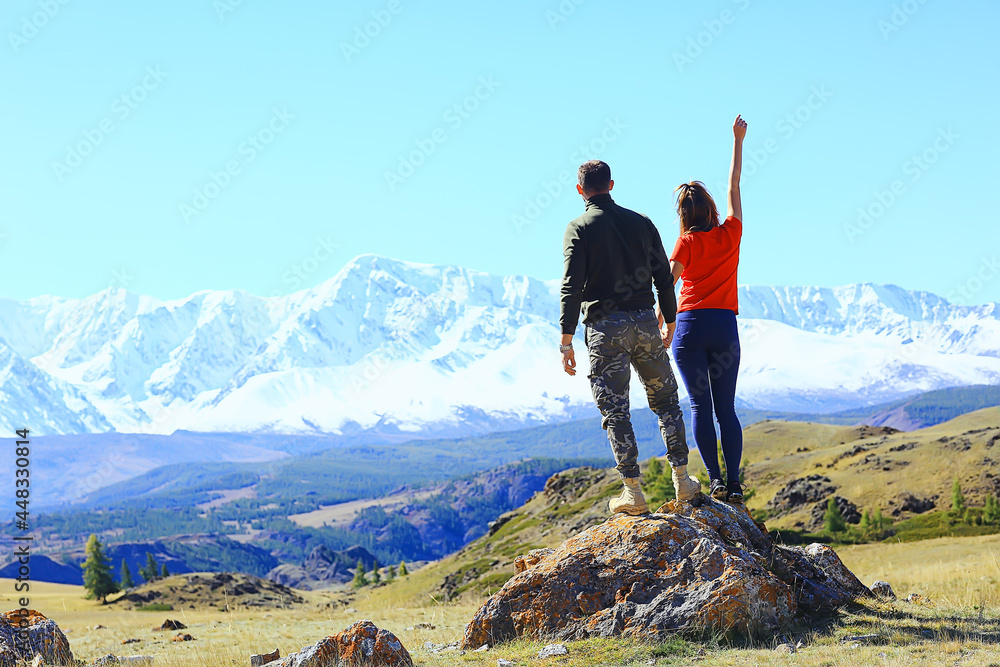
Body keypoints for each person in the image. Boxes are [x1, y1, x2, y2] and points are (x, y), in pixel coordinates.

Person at [560, 160, 701, 516]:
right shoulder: (642, 223)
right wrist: (669, 320)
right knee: (667, 401)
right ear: (611, 184)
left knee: (615, 409)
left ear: (581, 190)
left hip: (604, 329)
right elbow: (663, 279)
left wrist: (566, 341)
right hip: (644, 323)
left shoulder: (578, 228)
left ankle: (632, 492)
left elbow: (571, 286)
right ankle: (683, 481)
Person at [664, 115, 748, 503]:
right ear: (711, 209)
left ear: (683, 216)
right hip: (723, 326)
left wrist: (665, 324)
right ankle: (734, 484)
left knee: (700, 404)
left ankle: (713, 479)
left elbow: (668, 283)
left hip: (690, 327)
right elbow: (734, 184)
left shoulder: (684, 243)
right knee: (726, 408)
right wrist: (737, 140)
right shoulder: (731, 233)